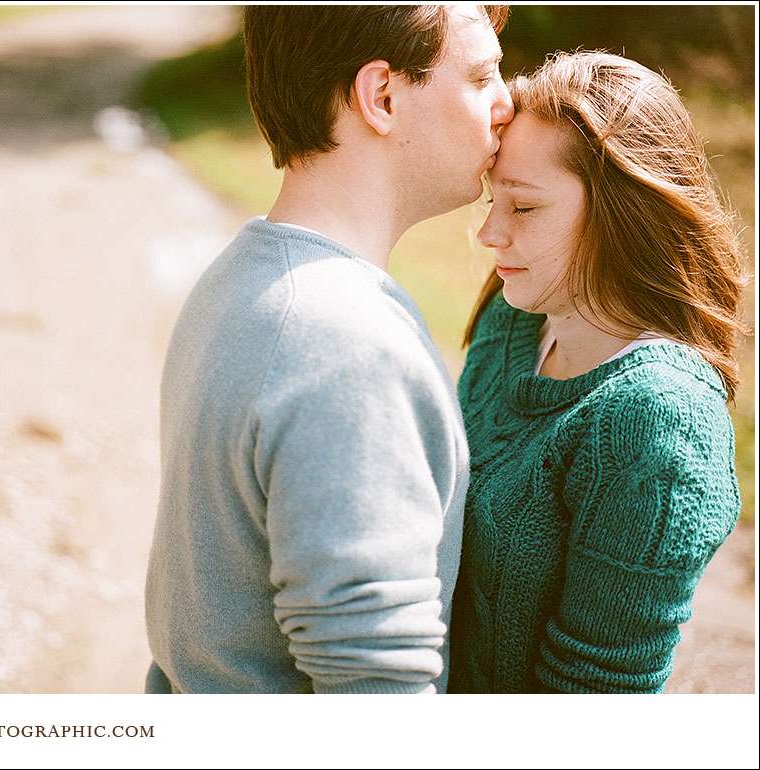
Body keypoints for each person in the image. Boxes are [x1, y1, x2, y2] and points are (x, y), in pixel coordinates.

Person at [143, 5, 513, 693]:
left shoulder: (243, 278)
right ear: (382, 97)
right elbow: (375, 691)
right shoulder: (344, 346)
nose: (506, 103)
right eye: (483, 76)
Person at [448, 51, 746, 693]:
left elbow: (594, 701)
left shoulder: (657, 421)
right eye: (492, 201)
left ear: (623, 211)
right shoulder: (513, 318)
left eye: (523, 208)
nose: (490, 233)